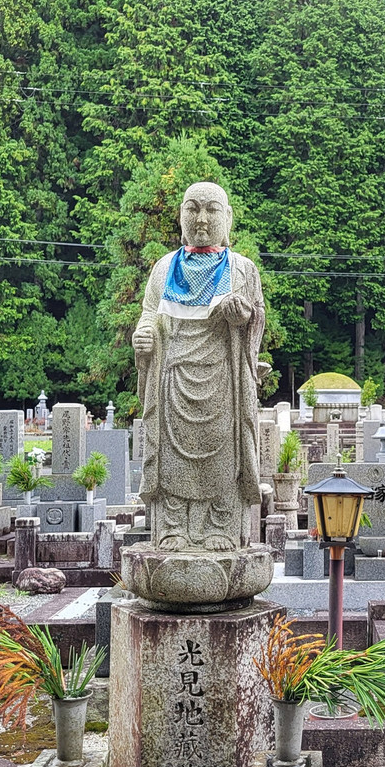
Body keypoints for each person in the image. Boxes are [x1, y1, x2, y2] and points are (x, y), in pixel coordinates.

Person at [132, 182, 264, 552]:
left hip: (222, 377)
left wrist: (245, 318)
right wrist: (143, 337)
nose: (202, 218)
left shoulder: (242, 269)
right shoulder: (164, 269)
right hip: (174, 376)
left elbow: (257, 318)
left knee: (223, 454)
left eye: (211, 209)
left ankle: (221, 524)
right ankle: (172, 525)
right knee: (174, 455)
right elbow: (149, 315)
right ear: (180, 216)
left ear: (228, 218)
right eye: (192, 208)